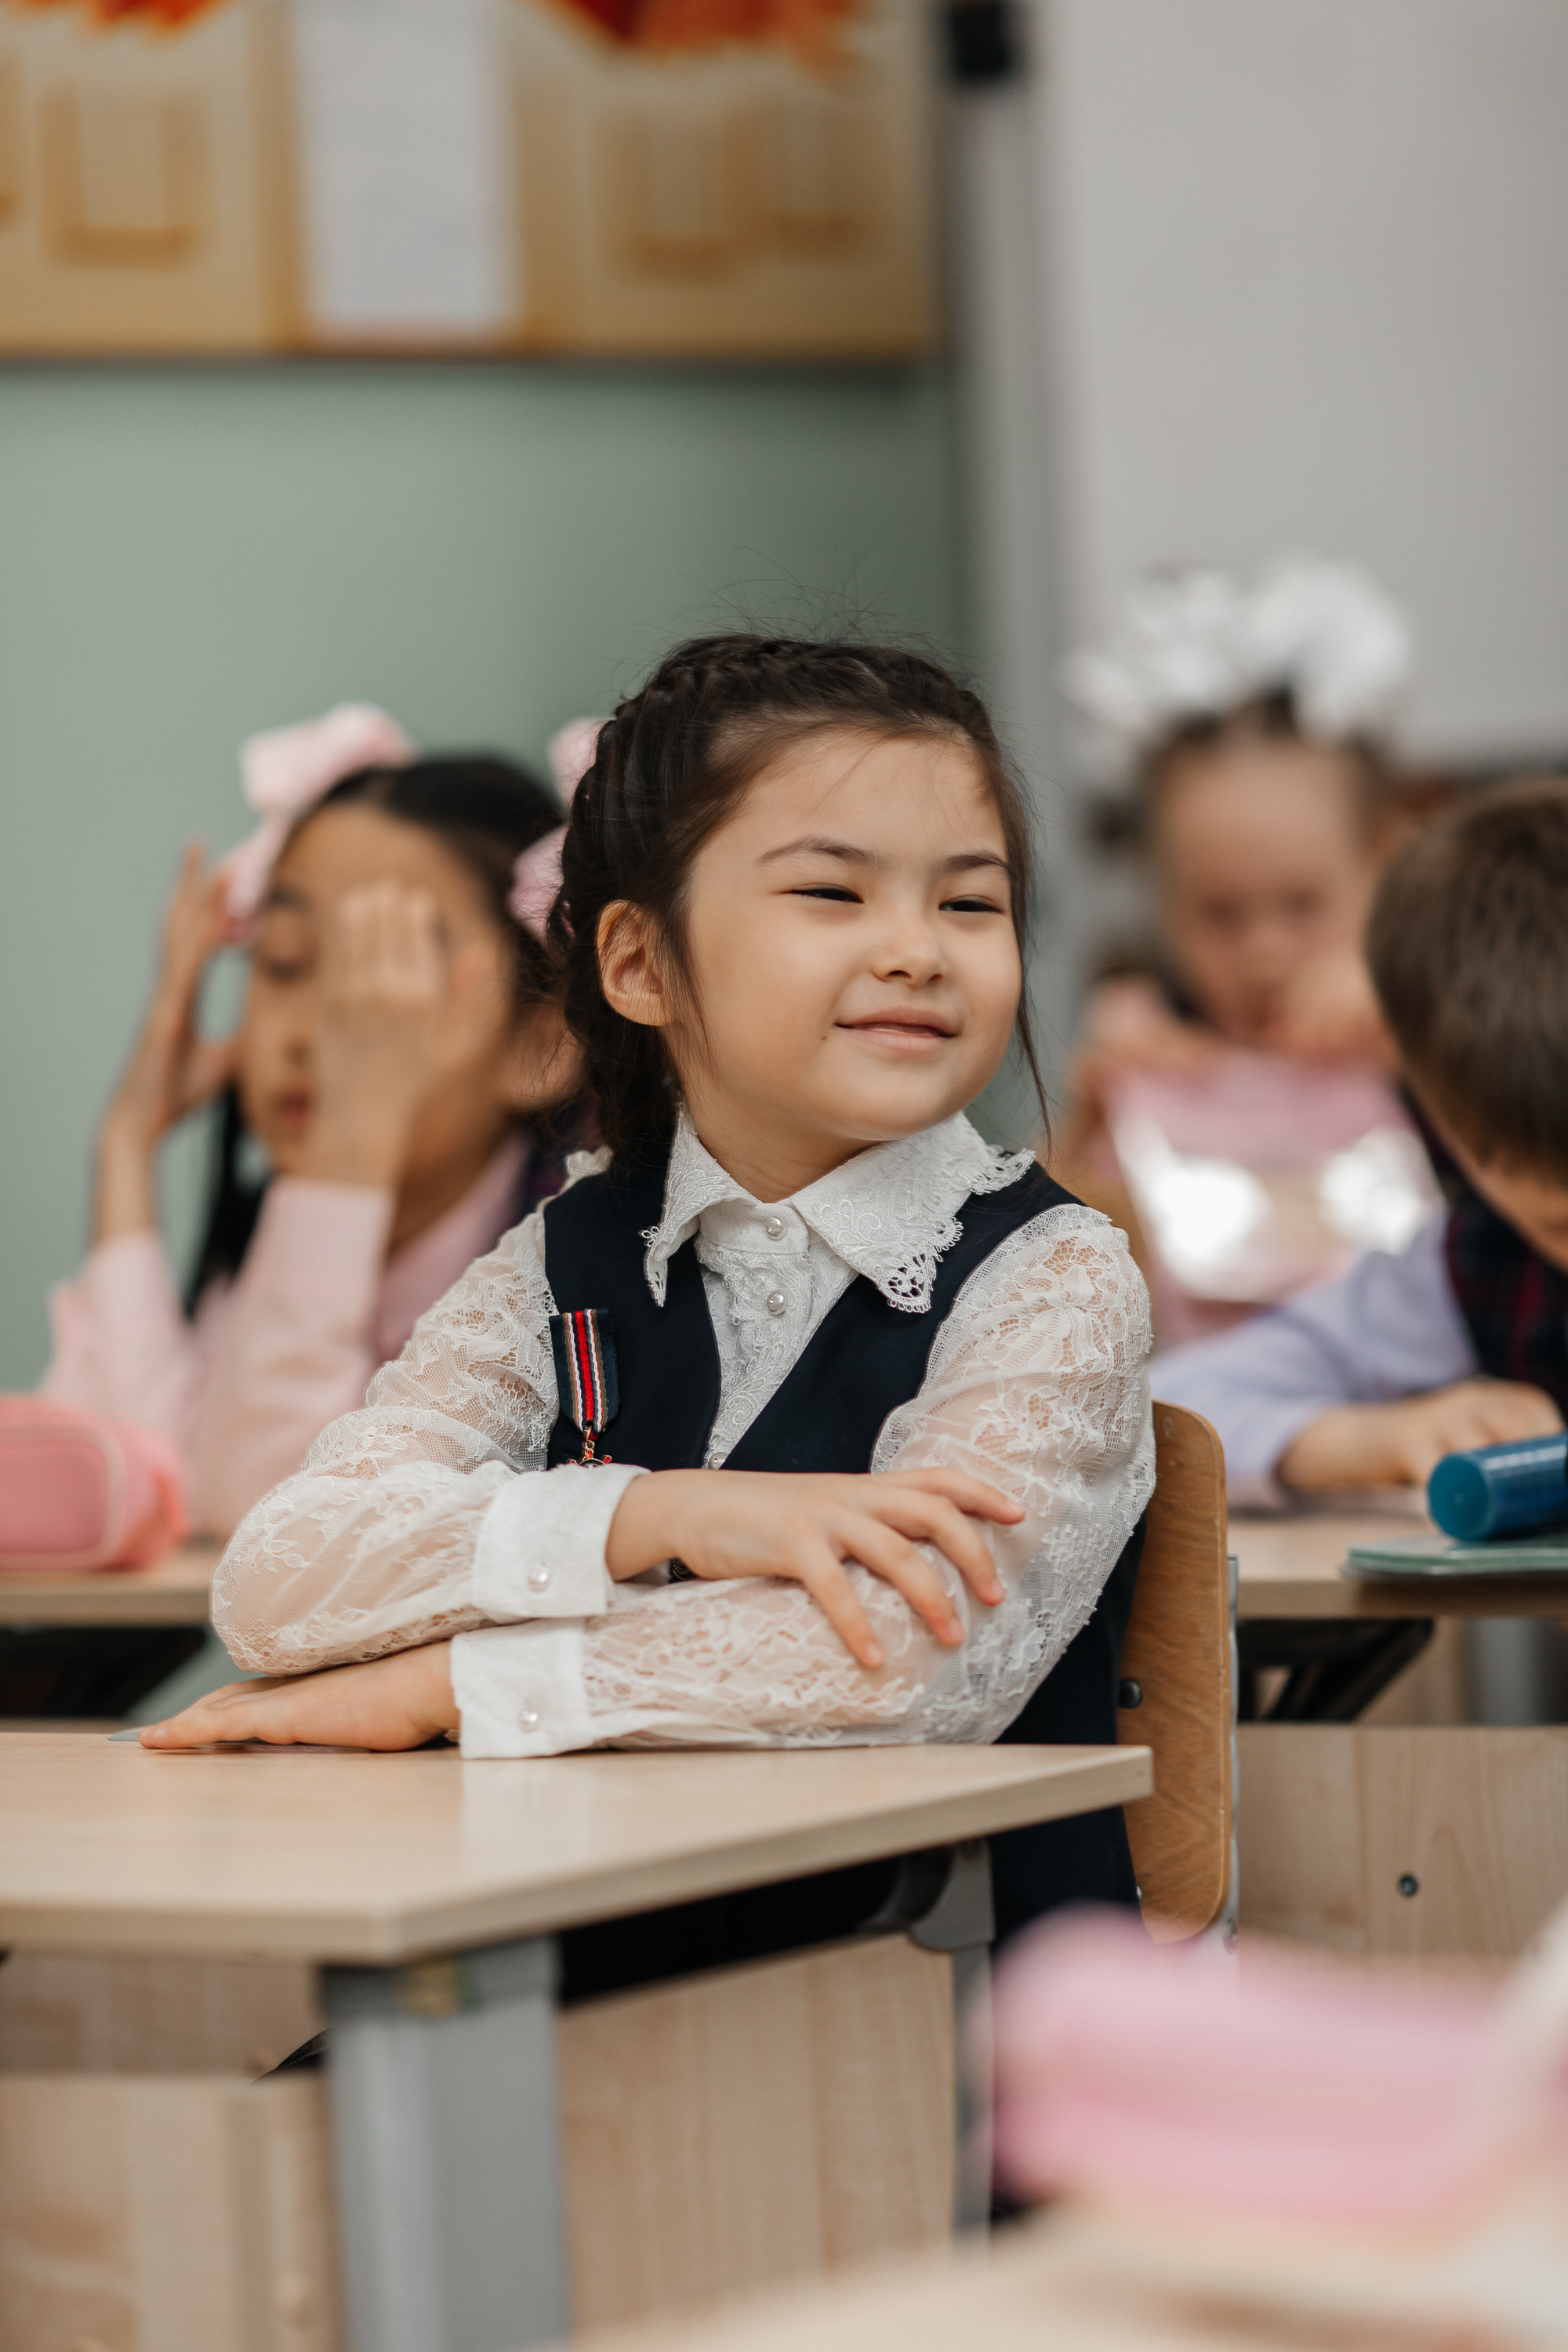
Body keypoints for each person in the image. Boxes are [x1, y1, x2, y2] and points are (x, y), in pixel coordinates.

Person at [142, 634, 1154, 1924]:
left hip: (945, 2008)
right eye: (833, 893)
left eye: (969, 904)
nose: (918, 950)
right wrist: (654, 1516)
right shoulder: (562, 1252)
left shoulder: (1054, 1275)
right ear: (638, 965)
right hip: (599, 1961)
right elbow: (277, 1582)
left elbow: (903, 1657)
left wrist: (447, 1686)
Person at [42, 705, 593, 1541]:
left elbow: (270, 1519)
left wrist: (344, 1159)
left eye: (387, 982)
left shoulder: (559, 1309)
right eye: (286, 962)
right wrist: (125, 1147)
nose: (316, 1031)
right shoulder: (267, 1249)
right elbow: (143, 1481)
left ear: (541, 1040)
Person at [1152, 779, 1568, 1509]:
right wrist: (1378, 1439)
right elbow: (1166, 1407)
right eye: (1557, 1226)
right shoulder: (1467, 1269)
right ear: (1457, 1137)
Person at [1053, 557, 1437, 1345]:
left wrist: (1416, 1033)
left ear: (1383, 863)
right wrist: (1087, 1126)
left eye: (1301, 906)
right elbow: (1047, 1269)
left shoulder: (1429, 1034)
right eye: (1220, 915)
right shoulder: (1146, 1042)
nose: (1264, 952)